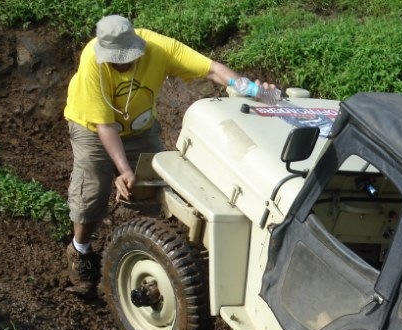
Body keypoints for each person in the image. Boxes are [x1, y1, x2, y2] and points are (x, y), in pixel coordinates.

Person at [63, 14, 273, 296]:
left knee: (154, 185)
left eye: (126, 57)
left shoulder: (160, 48)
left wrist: (248, 88)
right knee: (93, 190)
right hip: (91, 127)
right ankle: (80, 251)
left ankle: (150, 252)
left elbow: (211, 70)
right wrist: (123, 169)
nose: (121, 63)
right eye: (115, 58)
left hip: (139, 126)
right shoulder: (92, 60)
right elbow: (104, 125)